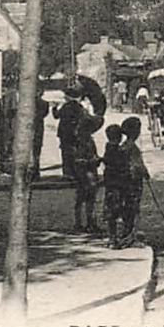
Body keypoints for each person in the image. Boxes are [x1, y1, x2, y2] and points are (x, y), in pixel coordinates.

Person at [55, 78, 106, 234]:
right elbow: (93, 121)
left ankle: (79, 222)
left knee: (80, 193)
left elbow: (56, 115)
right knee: (90, 191)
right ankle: (90, 221)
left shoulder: (66, 108)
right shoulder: (80, 112)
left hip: (71, 148)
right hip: (84, 161)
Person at [119, 116, 150, 246]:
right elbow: (137, 165)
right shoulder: (133, 148)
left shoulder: (124, 146)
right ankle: (131, 235)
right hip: (134, 181)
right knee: (133, 207)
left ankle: (127, 232)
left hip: (125, 181)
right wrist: (145, 173)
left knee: (127, 206)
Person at [100, 124, 127, 247]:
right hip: (117, 184)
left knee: (112, 212)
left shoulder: (108, 148)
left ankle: (113, 237)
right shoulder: (118, 150)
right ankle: (114, 238)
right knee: (117, 210)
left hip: (110, 184)